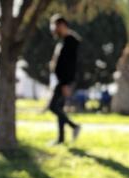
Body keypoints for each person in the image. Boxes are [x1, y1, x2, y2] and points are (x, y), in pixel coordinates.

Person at [48, 15, 80, 144]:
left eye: (55, 26)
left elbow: (71, 65)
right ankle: (61, 139)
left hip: (64, 81)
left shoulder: (71, 41)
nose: (54, 29)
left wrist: (66, 83)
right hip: (60, 80)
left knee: (53, 106)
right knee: (59, 107)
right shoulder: (63, 41)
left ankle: (74, 126)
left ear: (61, 25)